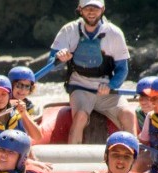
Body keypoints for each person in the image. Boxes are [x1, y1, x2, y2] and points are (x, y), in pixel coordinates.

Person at [50, 0, 137, 144]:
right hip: (80, 87)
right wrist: (60, 59)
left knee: (128, 114)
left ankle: (133, 153)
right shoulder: (69, 30)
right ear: (80, 9)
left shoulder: (114, 33)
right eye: (87, 8)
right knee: (80, 117)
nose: (91, 12)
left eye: (95, 8)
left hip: (106, 88)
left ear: (102, 9)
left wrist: (112, 85)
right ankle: (74, 157)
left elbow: (122, 69)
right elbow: (52, 64)